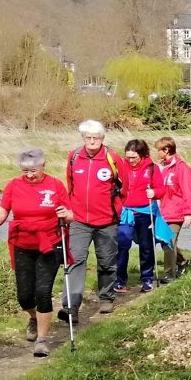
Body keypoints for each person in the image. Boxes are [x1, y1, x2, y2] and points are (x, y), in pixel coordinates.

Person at [0, 148, 70, 357]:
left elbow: (70, 215)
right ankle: (34, 317)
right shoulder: (13, 185)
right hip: (22, 243)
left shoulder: (55, 185)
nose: (29, 175)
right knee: (24, 296)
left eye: (33, 171)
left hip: (49, 242)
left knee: (43, 292)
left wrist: (66, 215)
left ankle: (42, 339)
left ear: (43, 166)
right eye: (25, 171)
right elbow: (3, 211)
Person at [58, 120, 129, 323]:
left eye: (95, 138)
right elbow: (70, 185)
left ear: (102, 138)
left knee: (106, 261)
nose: (91, 142)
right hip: (79, 219)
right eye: (88, 138)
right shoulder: (74, 157)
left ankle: (106, 297)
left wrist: (116, 208)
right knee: (75, 260)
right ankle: (70, 306)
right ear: (83, 138)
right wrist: (71, 210)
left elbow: (124, 188)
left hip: (107, 220)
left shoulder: (112, 158)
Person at [115, 139, 164, 293]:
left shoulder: (152, 168)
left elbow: (161, 189)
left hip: (145, 211)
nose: (130, 161)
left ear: (142, 155)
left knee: (146, 246)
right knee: (122, 246)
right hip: (125, 212)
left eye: (134, 157)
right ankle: (120, 281)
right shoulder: (120, 167)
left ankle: (147, 279)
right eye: (128, 157)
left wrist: (154, 193)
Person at [155, 136, 191, 283]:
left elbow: (187, 191)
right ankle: (182, 261)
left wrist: (188, 213)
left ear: (166, 150)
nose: (157, 153)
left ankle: (169, 275)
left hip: (176, 212)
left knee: (169, 242)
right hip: (162, 212)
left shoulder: (181, 168)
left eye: (159, 150)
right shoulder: (160, 167)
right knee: (163, 241)